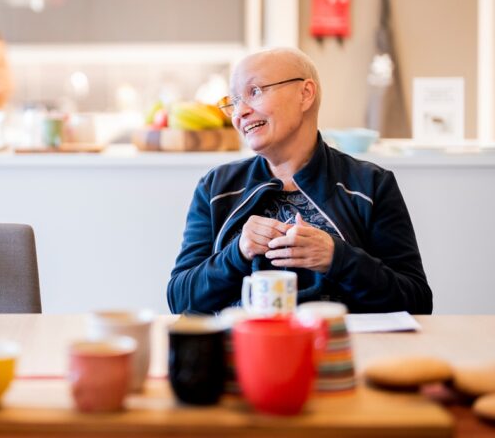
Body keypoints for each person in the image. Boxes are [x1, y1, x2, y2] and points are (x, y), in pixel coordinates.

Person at [167, 47, 432, 315]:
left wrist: (337, 258)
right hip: (243, 350)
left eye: (255, 91)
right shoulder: (216, 187)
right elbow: (179, 299)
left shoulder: (371, 185)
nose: (240, 113)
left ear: (305, 94)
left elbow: (417, 301)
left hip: (340, 349)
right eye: (234, 102)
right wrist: (237, 253)